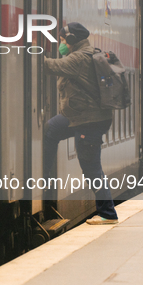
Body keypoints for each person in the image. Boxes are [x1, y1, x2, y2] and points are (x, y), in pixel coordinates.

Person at [43, 22, 118, 225]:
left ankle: (108, 214)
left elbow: (49, 66)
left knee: (91, 167)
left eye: (62, 40)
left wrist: (29, 53)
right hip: (81, 116)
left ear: (72, 40)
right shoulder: (88, 54)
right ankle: (44, 177)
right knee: (51, 129)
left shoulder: (79, 58)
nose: (60, 44)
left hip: (88, 121)